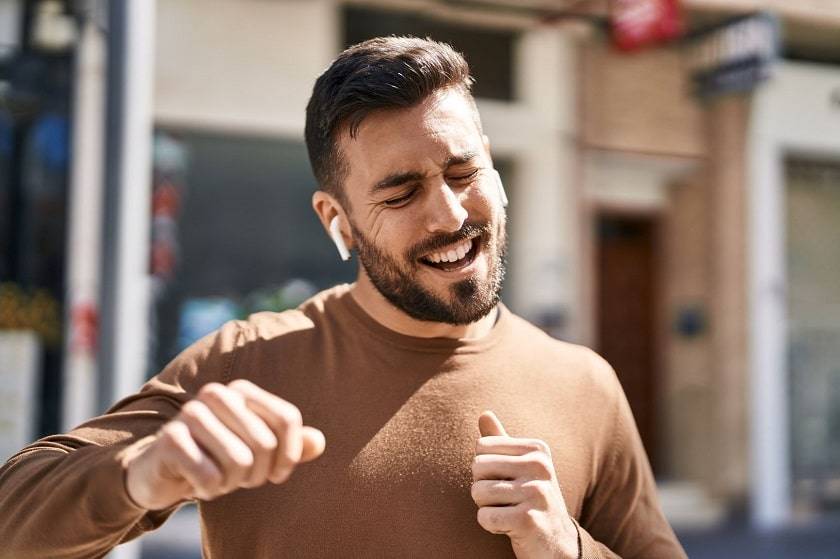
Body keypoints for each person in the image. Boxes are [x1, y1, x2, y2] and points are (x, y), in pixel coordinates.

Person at [0, 36, 687, 558]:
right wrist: (142, 474)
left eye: (462, 170)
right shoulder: (247, 364)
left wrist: (570, 546)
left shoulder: (586, 383)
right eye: (401, 192)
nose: (448, 214)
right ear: (337, 221)